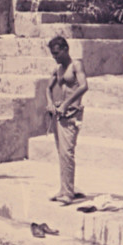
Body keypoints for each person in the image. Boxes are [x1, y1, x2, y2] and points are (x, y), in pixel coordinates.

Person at [46, 36, 88, 205]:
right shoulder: (58, 69)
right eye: (52, 54)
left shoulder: (76, 65)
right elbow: (48, 88)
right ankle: (64, 189)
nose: (54, 57)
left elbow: (84, 86)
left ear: (65, 49)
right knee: (62, 153)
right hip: (60, 114)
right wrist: (50, 103)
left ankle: (68, 193)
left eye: (56, 53)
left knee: (67, 153)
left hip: (72, 114)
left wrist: (66, 104)